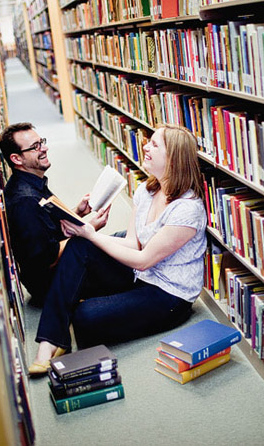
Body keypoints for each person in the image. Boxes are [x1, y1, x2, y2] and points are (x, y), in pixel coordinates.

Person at [29, 124, 207, 374]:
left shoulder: (187, 209)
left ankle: (69, 311)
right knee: (80, 245)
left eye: (154, 145)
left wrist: (91, 234)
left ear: (174, 158)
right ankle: (49, 342)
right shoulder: (147, 190)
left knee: (84, 317)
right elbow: (132, 244)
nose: (145, 146)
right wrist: (85, 232)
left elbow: (143, 259)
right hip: (140, 275)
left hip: (169, 295)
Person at [0, 122, 110, 307]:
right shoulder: (25, 201)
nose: (45, 148)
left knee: (123, 242)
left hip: (62, 268)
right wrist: (89, 229)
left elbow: (45, 227)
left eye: (41, 141)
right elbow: (45, 259)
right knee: (125, 257)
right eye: (35, 147)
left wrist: (76, 213)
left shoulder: (31, 182)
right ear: (17, 159)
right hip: (55, 283)